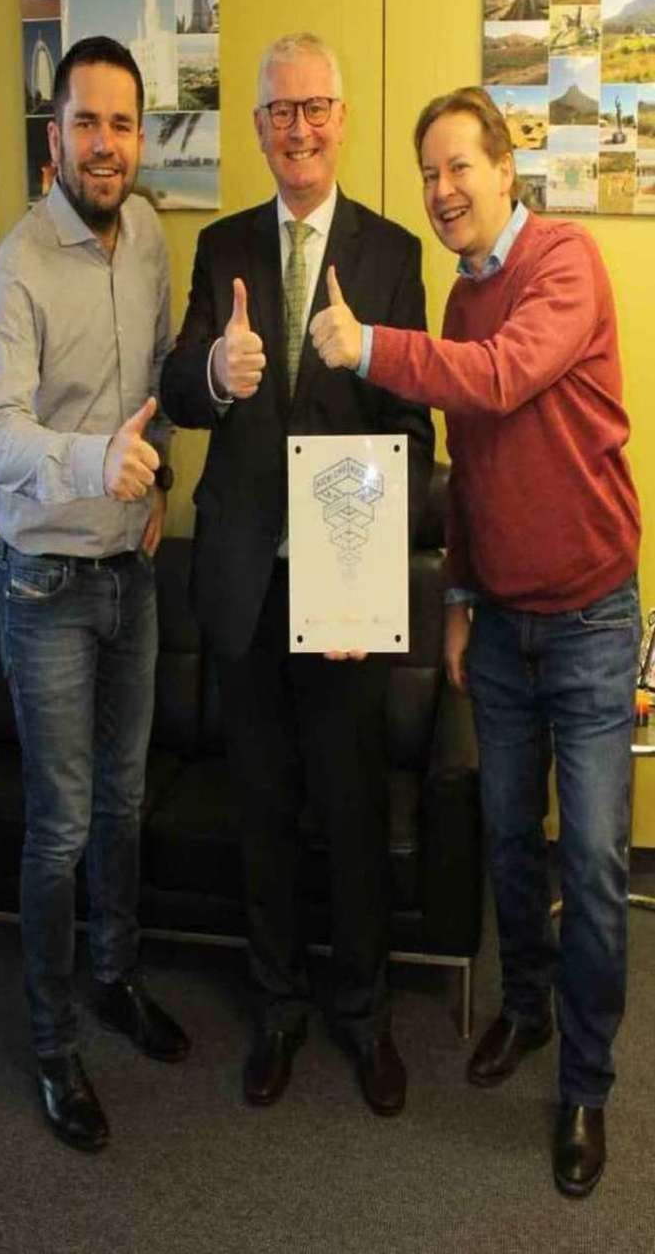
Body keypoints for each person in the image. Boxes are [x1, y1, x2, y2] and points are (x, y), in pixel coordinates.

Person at [309, 85, 641, 1196]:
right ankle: (528, 1009)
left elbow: (498, 379)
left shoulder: (563, 263)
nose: (442, 190)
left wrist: (367, 347)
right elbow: (472, 468)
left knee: (590, 861)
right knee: (507, 841)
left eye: (459, 166)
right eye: (428, 173)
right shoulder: (458, 297)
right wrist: (455, 597)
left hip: (590, 622)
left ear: (506, 167)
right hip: (497, 626)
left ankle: (585, 1084)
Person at [160, 33, 434, 1115]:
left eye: (315, 107)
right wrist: (215, 373)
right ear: (258, 126)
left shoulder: (390, 254)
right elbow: (180, 388)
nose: (299, 128)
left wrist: (365, 576)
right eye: (280, 111)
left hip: (345, 590)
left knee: (352, 809)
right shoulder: (221, 245)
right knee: (263, 809)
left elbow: (411, 428)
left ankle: (361, 1013)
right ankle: (275, 1007)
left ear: (342, 118)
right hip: (244, 586)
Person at [0, 35, 189, 1154]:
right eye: (85, 122)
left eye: (121, 124)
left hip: (129, 577)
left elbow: (157, 379)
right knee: (59, 827)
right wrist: (93, 461)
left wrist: (161, 480)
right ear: (52, 135)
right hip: (47, 581)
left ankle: (115, 977)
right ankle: (54, 1042)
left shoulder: (148, 233)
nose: (105, 144)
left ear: (138, 137)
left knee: (124, 803)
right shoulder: (19, 264)